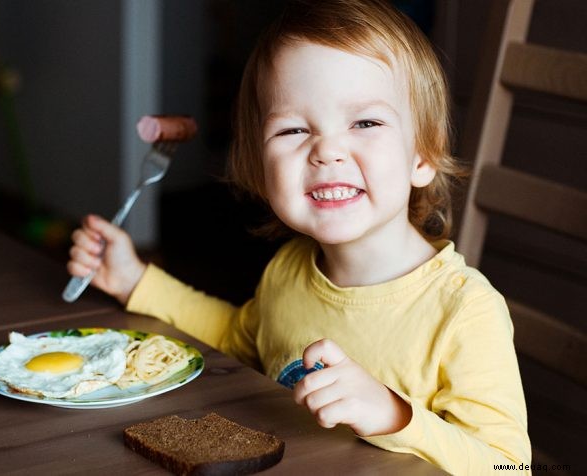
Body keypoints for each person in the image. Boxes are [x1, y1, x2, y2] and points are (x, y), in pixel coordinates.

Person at [67, 0, 530, 473]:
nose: (326, 151)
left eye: (365, 123)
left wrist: (396, 416)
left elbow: (509, 466)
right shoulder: (287, 272)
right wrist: (135, 280)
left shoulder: (464, 312)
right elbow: (235, 336)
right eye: (292, 129)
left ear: (423, 155)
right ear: (260, 169)